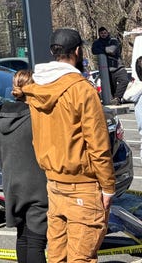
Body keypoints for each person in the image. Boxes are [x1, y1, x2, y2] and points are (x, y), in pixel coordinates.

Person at [22, 28, 115, 263]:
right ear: (77, 51)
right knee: (80, 258)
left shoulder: (37, 88)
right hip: (82, 185)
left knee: (57, 257)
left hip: (54, 184)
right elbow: (98, 144)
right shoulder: (81, 89)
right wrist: (108, 187)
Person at [0, 70, 48, 263]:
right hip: (37, 183)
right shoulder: (36, 115)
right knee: (36, 242)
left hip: (11, 182)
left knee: (23, 236)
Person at [91, 26, 127, 104]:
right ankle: (115, 100)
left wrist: (101, 49)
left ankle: (118, 97)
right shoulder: (96, 42)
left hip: (118, 67)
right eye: (101, 33)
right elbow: (94, 50)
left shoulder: (113, 41)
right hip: (107, 70)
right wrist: (105, 49)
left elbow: (112, 50)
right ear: (99, 34)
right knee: (111, 88)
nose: (103, 34)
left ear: (108, 33)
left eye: (105, 33)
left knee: (124, 80)